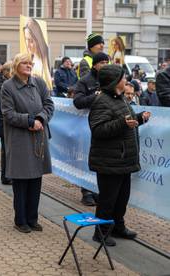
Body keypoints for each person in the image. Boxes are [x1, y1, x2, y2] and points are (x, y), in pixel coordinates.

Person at [89, 64, 150, 246]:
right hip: (109, 161)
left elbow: (126, 122)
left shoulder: (120, 98)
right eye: (123, 78)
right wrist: (123, 124)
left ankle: (118, 227)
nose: (126, 81)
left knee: (122, 199)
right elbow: (98, 129)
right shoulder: (101, 101)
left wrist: (139, 118)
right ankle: (100, 232)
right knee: (108, 201)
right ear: (114, 81)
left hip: (123, 160)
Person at [1, 53, 54, 233]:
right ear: (16, 65)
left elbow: (49, 105)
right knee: (21, 181)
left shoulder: (38, 83)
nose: (29, 65)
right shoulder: (8, 87)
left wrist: (40, 118)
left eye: (30, 63)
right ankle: (20, 220)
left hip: (38, 138)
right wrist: (29, 121)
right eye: (24, 63)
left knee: (35, 180)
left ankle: (33, 218)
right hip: (19, 139)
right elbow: (8, 114)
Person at [73, 52, 109, 206]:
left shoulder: (110, 79)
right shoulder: (85, 81)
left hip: (105, 124)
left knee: (101, 159)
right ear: (95, 64)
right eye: (102, 62)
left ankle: (98, 190)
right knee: (86, 159)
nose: (105, 65)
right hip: (86, 126)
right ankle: (86, 191)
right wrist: (96, 96)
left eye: (107, 62)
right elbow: (78, 101)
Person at [0, 61, 12, 185]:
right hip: (4, 121)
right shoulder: (2, 85)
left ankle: (8, 175)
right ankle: (5, 176)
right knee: (6, 150)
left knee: (8, 150)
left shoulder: (4, 83)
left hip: (5, 121)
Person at [23, 18, 52, 89]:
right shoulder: (30, 59)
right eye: (26, 40)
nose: (28, 45)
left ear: (38, 40)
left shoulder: (44, 61)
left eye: (31, 41)